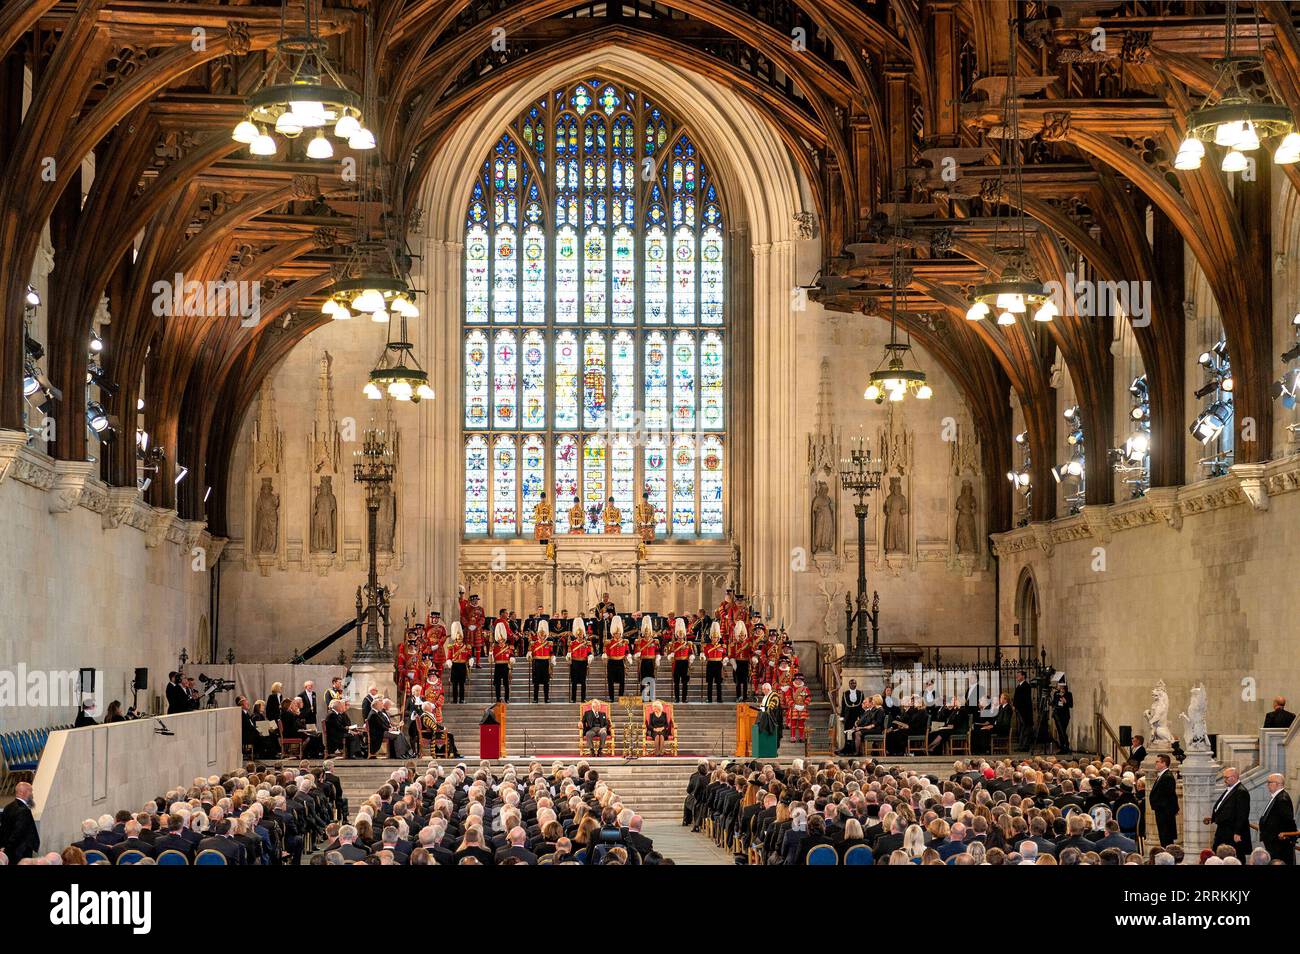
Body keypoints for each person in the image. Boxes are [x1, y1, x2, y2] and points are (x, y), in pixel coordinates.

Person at [1205, 766, 1252, 861]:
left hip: (1232, 830)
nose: (1224, 780)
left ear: (1234, 777)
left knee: (1235, 854)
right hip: (1224, 829)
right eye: (1224, 777)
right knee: (1220, 853)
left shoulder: (1241, 791)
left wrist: (1238, 832)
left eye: (1226, 777)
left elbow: (1242, 814)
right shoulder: (1231, 789)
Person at [1258, 772, 1297, 865]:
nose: (1267, 785)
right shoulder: (1277, 797)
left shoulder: (1282, 799)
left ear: (1278, 784)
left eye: (1269, 782)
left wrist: (1287, 835)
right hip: (1274, 841)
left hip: (1279, 843)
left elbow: (1289, 820)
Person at [0, 781, 39, 862]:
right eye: (30, 791)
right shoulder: (23, 810)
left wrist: (4, 847)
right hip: (21, 852)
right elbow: (18, 833)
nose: (32, 794)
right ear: (22, 792)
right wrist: (7, 849)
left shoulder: (8, 807)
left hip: (9, 851)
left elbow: (3, 829)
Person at [1149, 753, 1179, 849]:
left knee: (1166, 837)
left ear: (1164, 763)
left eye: (1157, 762)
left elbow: (1168, 796)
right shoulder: (1162, 775)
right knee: (1163, 836)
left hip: (1165, 813)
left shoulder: (1167, 777)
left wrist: (1158, 805)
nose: (1156, 764)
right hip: (1162, 811)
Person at [667, 618, 693, 704]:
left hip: (685, 663)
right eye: (679, 634)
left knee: (685, 683)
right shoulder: (673, 644)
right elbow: (670, 654)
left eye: (682, 634)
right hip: (677, 663)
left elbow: (691, 653)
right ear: (677, 635)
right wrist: (671, 656)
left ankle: (684, 698)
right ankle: (677, 698)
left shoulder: (688, 644)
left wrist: (691, 658)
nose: (681, 635)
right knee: (676, 682)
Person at [448, 625, 473, 704]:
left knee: (462, 684)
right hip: (455, 666)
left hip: (462, 666)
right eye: (458, 639)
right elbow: (449, 657)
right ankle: (455, 700)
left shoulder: (466, 647)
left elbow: (469, 655)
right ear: (456, 639)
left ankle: (462, 699)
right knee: (454, 684)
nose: (460, 640)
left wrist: (470, 660)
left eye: (461, 639)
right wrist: (449, 662)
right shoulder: (452, 647)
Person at [703, 625, 727, 703]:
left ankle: (719, 699)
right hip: (710, 664)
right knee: (709, 683)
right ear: (711, 638)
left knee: (719, 683)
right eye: (713, 637)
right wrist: (703, 657)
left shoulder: (722, 647)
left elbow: (724, 654)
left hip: (718, 665)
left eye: (716, 638)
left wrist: (724, 659)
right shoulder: (707, 646)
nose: (715, 639)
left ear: (718, 638)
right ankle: (709, 699)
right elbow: (705, 654)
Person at [605, 617, 629, 699]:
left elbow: (626, 651)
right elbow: (606, 652)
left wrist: (628, 657)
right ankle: (611, 697)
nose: (617, 635)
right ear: (613, 634)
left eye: (618, 633)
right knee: (610, 681)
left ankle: (621, 697)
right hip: (611, 662)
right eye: (616, 633)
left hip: (620, 662)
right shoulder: (609, 642)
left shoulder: (624, 642)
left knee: (622, 681)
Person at [529, 625, 554, 703]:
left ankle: (546, 698)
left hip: (546, 663)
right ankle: (535, 698)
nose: (542, 637)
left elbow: (551, 653)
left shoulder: (548, 644)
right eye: (540, 635)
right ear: (538, 635)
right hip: (537, 663)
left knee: (546, 682)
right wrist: (529, 655)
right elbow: (530, 653)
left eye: (543, 635)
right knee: (536, 682)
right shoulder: (534, 644)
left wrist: (553, 659)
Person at [569, 625, 593, 703]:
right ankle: (573, 698)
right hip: (575, 663)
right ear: (576, 635)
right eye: (578, 635)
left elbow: (589, 652)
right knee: (574, 682)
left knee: (583, 682)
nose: (580, 636)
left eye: (581, 634)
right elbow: (569, 652)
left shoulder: (586, 643)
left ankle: (583, 699)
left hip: (583, 663)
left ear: (583, 635)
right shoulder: (572, 643)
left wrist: (590, 657)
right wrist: (568, 656)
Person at [491, 622, 513, 703]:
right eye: (500, 640)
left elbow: (511, 656)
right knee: (497, 684)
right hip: (498, 666)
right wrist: (490, 653)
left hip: (505, 666)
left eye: (502, 640)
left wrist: (511, 659)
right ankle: (498, 698)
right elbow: (491, 660)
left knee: (506, 684)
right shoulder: (495, 648)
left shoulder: (508, 648)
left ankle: (507, 698)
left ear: (504, 639)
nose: (501, 641)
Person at [1012, 671, 1033, 749]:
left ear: (1023, 676)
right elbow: (1016, 697)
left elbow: (1023, 699)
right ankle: (1021, 746)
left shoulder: (1026, 686)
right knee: (1021, 728)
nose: (1017, 676)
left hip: (1024, 711)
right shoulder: (1019, 686)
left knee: (1025, 728)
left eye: (1019, 675)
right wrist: (1014, 705)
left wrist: (1016, 706)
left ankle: (1024, 746)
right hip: (1019, 710)